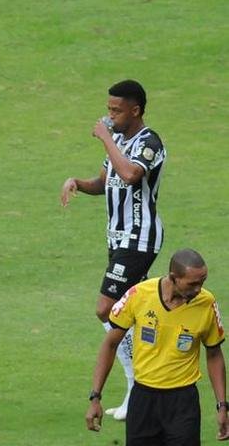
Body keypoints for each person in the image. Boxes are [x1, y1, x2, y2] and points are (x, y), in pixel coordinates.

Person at [61, 79, 167, 419]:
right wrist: (78, 182)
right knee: (132, 310)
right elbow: (106, 181)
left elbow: (131, 174)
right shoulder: (119, 140)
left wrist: (106, 138)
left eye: (115, 111)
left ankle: (138, 382)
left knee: (107, 308)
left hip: (139, 239)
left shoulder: (149, 142)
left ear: (135, 110)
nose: (109, 117)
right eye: (108, 110)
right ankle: (148, 380)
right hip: (117, 238)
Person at [85, 249, 228, 443]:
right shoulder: (139, 295)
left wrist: (222, 406)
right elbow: (110, 345)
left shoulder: (207, 303)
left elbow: (214, 354)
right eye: (192, 283)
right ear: (172, 277)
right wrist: (95, 397)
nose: (198, 289)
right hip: (143, 399)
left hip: (183, 402)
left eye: (202, 282)